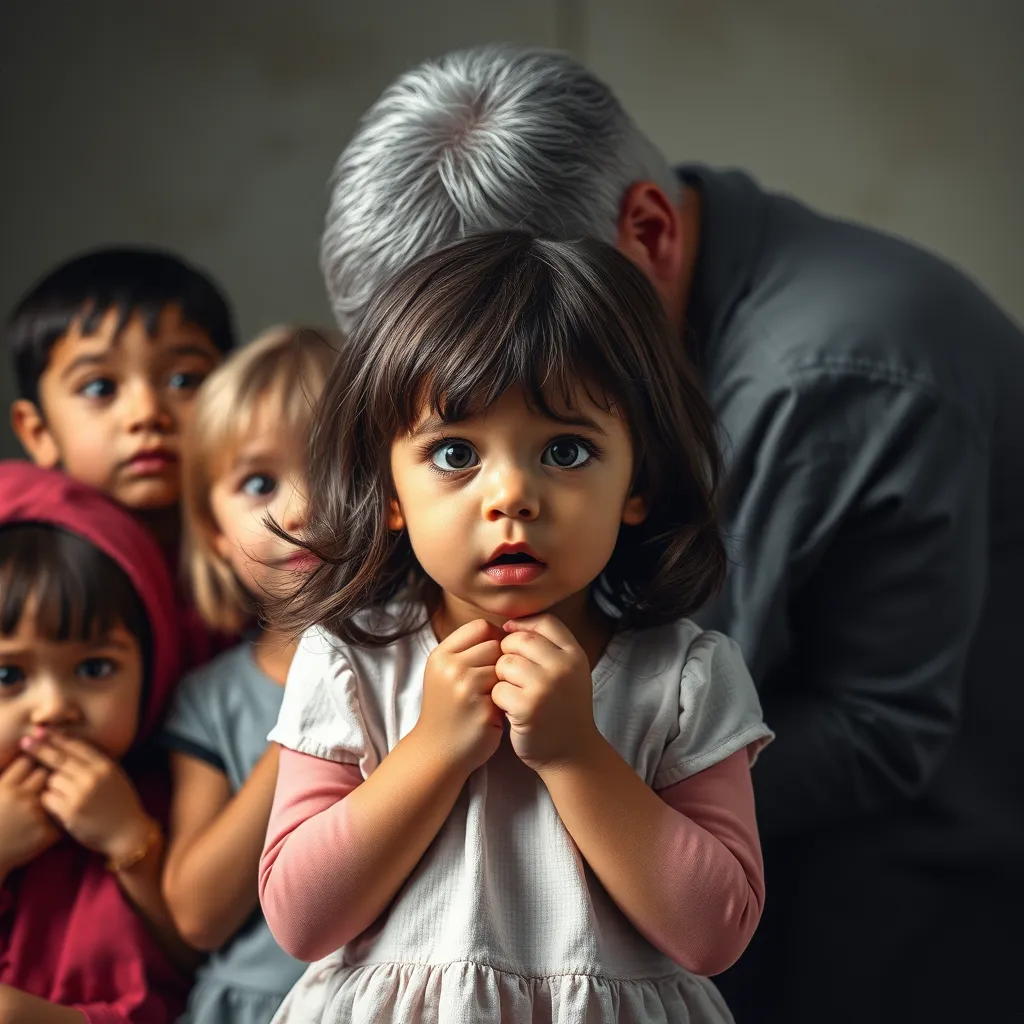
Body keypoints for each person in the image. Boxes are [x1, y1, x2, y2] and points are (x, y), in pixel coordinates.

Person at [313, 44, 1024, 1021]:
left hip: (899, 913)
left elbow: (873, 727)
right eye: (450, 439)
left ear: (646, 230)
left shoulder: (831, 379)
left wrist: (555, 769)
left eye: (553, 433)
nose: (503, 491)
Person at [258, 233, 773, 1024]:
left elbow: (715, 934)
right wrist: (431, 749)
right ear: (389, 491)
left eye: (565, 450)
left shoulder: (685, 676)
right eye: (455, 453)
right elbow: (300, 918)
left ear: (638, 479)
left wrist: (577, 754)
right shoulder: (348, 663)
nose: (511, 496)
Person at [160, 326, 339, 1024]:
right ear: (210, 529)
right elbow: (198, 916)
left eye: (333, 467)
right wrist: (310, 710)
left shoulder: (436, 663)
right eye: (259, 482)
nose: (299, 509)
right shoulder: (210, 699)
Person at [0, 461, 192, 1023]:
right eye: (8, 677)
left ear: (152, 667)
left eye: (95, 668)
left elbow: (200, 960)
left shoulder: (169, 792)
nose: (54, 708)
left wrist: (131, 842)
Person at [5, 247, 237, 670]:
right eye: (99, 388)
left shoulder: (262, 550)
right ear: (38, 433)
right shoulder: (23, 569)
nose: (147, 412)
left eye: (184, 380)